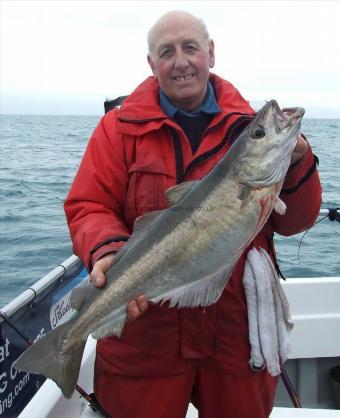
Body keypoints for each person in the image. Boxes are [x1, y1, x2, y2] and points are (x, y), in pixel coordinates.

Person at [64, 10, 322, 418]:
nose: (181, 61)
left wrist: (298, 162)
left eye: (191, 48)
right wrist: (109, 251)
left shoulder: (246, 127)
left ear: (211, 54)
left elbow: (295, 223)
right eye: (167, 52)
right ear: (152, 65)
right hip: (146, 331)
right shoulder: (118, 129)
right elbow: (89, 205)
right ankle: (63, 347)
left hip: (235, 329)